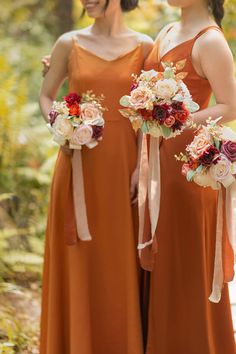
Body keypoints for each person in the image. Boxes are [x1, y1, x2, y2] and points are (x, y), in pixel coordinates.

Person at [39, 1, 153, 353]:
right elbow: (46, 95)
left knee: (117, 261)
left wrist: (141, 167)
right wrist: (61, 124)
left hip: (124, 170)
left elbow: (149, 114)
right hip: (78, 167)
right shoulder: (67, 43)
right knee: (81, 258)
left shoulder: (146, 47)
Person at [141, 0, 236, 353]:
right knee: (163, 258)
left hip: (188, 170)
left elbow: (230, 104)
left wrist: (175, 119)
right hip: (157, 163)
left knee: (185, 263)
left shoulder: (210, 40)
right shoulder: (165, 31)